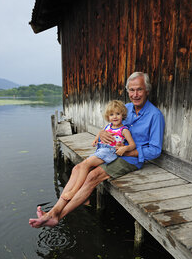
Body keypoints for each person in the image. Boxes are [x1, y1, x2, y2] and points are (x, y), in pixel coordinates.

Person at [29, 72, 165, 228]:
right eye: (131, 90)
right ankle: (54, 211)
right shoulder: (124, 108)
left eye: (139, 90)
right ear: (127, 91)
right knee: (78, 168)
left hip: (130, 158)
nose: (135, 94)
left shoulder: (155, 115)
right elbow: (112, 127)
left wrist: (127, 151)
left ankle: (57, 217)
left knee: (92, 176)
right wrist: (101, 133)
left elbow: (155, 150)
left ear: (147, 90)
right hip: (109, 152)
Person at [61, 100, 135, 201]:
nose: (115, 117)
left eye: (118, 114)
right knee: (83, 167)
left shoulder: (124, 130)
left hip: (110, 152)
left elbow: (132, 145)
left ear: (123, 115)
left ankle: (74, 191)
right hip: (101, 149)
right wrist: (95, 140)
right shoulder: (108, 126)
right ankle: (84, 198)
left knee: (84, 165)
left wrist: (125, 148)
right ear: (108, 117)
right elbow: (100, 133)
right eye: (111, 114)